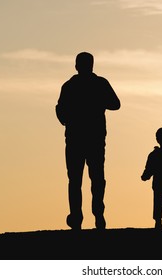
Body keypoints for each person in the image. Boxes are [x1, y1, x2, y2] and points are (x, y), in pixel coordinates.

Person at [56, 52, 120, 230]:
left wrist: (69, 118)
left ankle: (78, 217)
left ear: (76, 66)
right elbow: (115, 103)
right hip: (94, 138)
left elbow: (60, 111)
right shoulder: (99, 83)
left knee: (76, 180)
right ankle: (97, 214)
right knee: (95, 178)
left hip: (78, 138)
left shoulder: (70, 86)